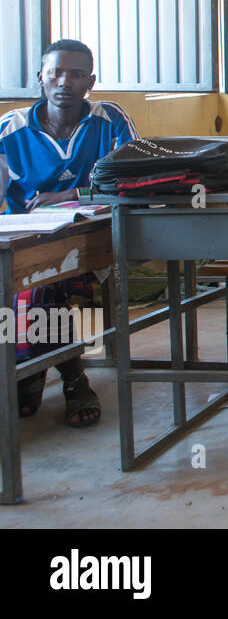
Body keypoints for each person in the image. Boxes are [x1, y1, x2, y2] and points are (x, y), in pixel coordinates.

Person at [0, 39, 137, 427]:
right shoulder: (10, 129)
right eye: (55, 72)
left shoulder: (109, 120)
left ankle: (37, 376)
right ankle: (69, 376)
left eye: (76, 75)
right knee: (30, 283)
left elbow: (130, 179)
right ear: (39, 77)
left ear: (90, 81)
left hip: (92, 239)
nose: (64, 82)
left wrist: (71, 194)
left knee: (49, 282)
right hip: (23, 241)